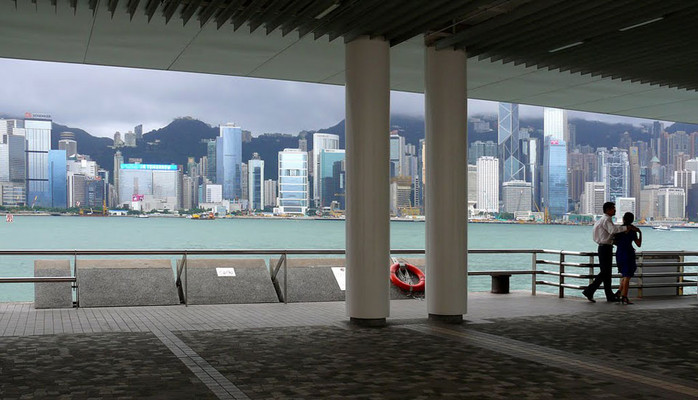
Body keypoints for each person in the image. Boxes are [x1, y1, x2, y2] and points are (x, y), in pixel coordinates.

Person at [583, 202, 638, 303]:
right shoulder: (606, 220)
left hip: (604, 247)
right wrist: (627, 227)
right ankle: (589, 291)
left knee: (607, 273)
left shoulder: (601, 220)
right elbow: (613, 230)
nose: (615, 210)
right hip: (605, 248)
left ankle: (609, 295)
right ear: (608, 210)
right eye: (613, 208)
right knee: (605, 272)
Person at [614, 212, 641, 304]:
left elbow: (614, 241)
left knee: (624, 274)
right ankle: (624, 296)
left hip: (620, 252)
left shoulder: (619, 229)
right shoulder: (633, 230)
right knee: (627, 276)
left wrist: (621, 244)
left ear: (623, 219)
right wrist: (639, 232)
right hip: (629, 253)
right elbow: (638, 244)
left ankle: (619, 292)